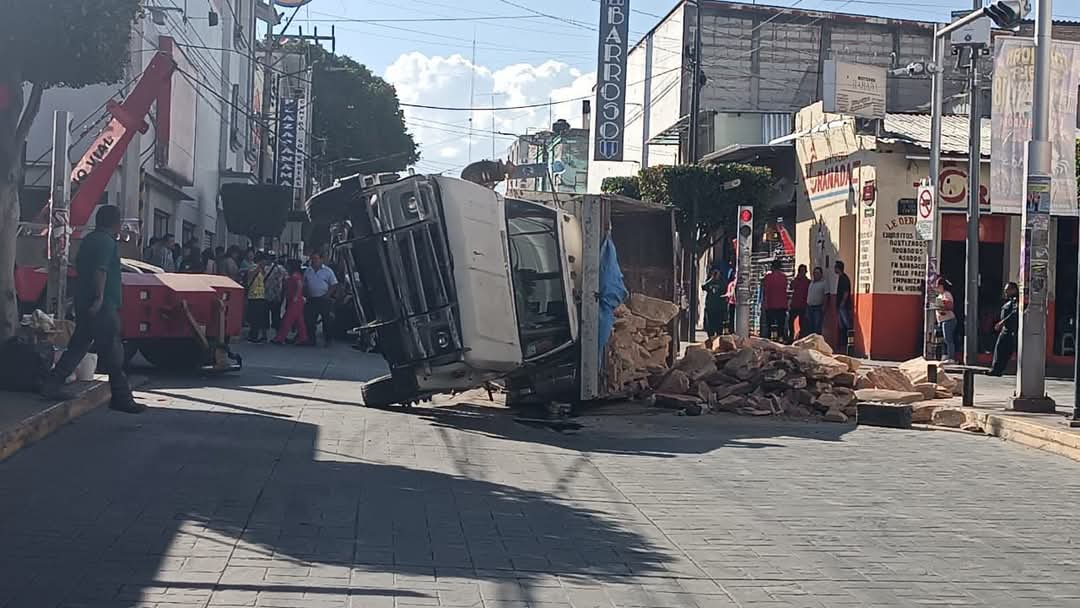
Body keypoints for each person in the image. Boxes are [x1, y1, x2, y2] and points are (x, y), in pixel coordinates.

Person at [40, 206, 143, 413]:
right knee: (113, 349)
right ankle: (121, 396)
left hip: (84, 301)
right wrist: (99, 298)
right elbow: (100, 271)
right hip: (102, 306)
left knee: (79, 345)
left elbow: (83, 267)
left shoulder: (89, 240)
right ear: (115, 223)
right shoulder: (107, 243)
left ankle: (51, 384)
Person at [303, 253, 338, 346]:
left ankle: (328, 339)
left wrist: (328, 295)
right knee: (310, 320)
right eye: (312, 258)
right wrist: (305, 293)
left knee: (327, 321)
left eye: (316, 258)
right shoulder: (308, 270)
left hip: (324, 299)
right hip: (312, 299)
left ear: (321, 260)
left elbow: (334, 284)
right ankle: (311, 339)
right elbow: (305, 283)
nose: (314, 260)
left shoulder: (327, 271)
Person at [272, 260, 309, 345]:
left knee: (287, 320)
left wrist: (296, 296)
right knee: (299, 321)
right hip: (296, 300)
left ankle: (280, 338)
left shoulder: (295, 275)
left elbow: (299, 285)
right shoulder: (296, 275)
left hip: (295, 301)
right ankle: (303, 337)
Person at [988, 282, 1020, 376]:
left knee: (1003, 349)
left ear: (1014, 290)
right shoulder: (1010, 300)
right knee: (1000, 349)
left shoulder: (1016, 300)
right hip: (1006, 329)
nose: (1006, 292)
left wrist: (1002, 322)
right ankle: (996, 370)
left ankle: (997, 370)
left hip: (1010, 330)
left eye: (1008, 290)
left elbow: (1014, 313)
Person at [762, 259, 789, 342]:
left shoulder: (768, 277)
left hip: (770, 304)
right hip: (782, 304)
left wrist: (764, 303)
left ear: (772, 267)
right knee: (781, 323)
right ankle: (780, 337)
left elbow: (765, 291)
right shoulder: (784, 277)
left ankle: (769, 339)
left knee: (769, 323)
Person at [245, 253, 270, 343]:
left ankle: (259, 335)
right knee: (254, 317)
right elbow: (250, 275)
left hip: (261, 295)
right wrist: (258, 268)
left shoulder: (263, 270)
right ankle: (253, 335)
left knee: (260, 316)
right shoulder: (253, 267)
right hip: (253, 295)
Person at [934, 277, 958, 364]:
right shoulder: (940, 296)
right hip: (942, 320)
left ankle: (951, 357)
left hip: (948, 319)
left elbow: (950, 306)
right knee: (943, 339)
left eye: (939, 286)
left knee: (948, 339)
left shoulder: (946, 294)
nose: (937, 288)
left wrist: (942, 306)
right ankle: (945, 355)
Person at [701, 269, 728, 338]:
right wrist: (711, 278)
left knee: (719, 326)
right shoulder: (710, 282)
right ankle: (711, 338)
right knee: (710, 326)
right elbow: (703, 287)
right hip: (710, 307)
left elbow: (725, 289)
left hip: (719, 308)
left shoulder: (722, 282)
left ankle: (718, 339)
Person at [263, 255, 287, 332]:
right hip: (268, 294)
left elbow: (286, 279)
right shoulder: (264, 268)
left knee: (275, 315)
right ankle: (272, 333)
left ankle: (277, 333)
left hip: (274, 295)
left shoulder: (279, 268)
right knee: (268, 315)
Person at [789, 264, 810, 340]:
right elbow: (791, 286)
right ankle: (791, 336)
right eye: (800, 271)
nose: (802, 272)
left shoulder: (808, 282)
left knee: (803, 323)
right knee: (790, 321)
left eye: (803, 271)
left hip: (803, 305)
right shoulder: (796, 280)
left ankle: (801, 337)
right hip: (794, 304)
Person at [805, 266, 827, 336]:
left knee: (817, 327)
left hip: (817, 308)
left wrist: (824, 306)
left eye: (817, 273)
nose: (815, 274)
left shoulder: (824, 283)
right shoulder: (811, 283)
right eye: (814, 273)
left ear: (821, 274)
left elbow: (826, 296)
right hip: (809, 307)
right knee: (810, 326)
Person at [834, 260, 852, 341]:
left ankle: (848, 341)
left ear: (838, 268)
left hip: (843, 305)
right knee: (841, 324)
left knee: (846, 323)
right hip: (840, 304)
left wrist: (842, 303)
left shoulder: (844, 278)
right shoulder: (841, 278)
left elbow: (846, 292)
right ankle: (843, 340)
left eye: (835, 267)